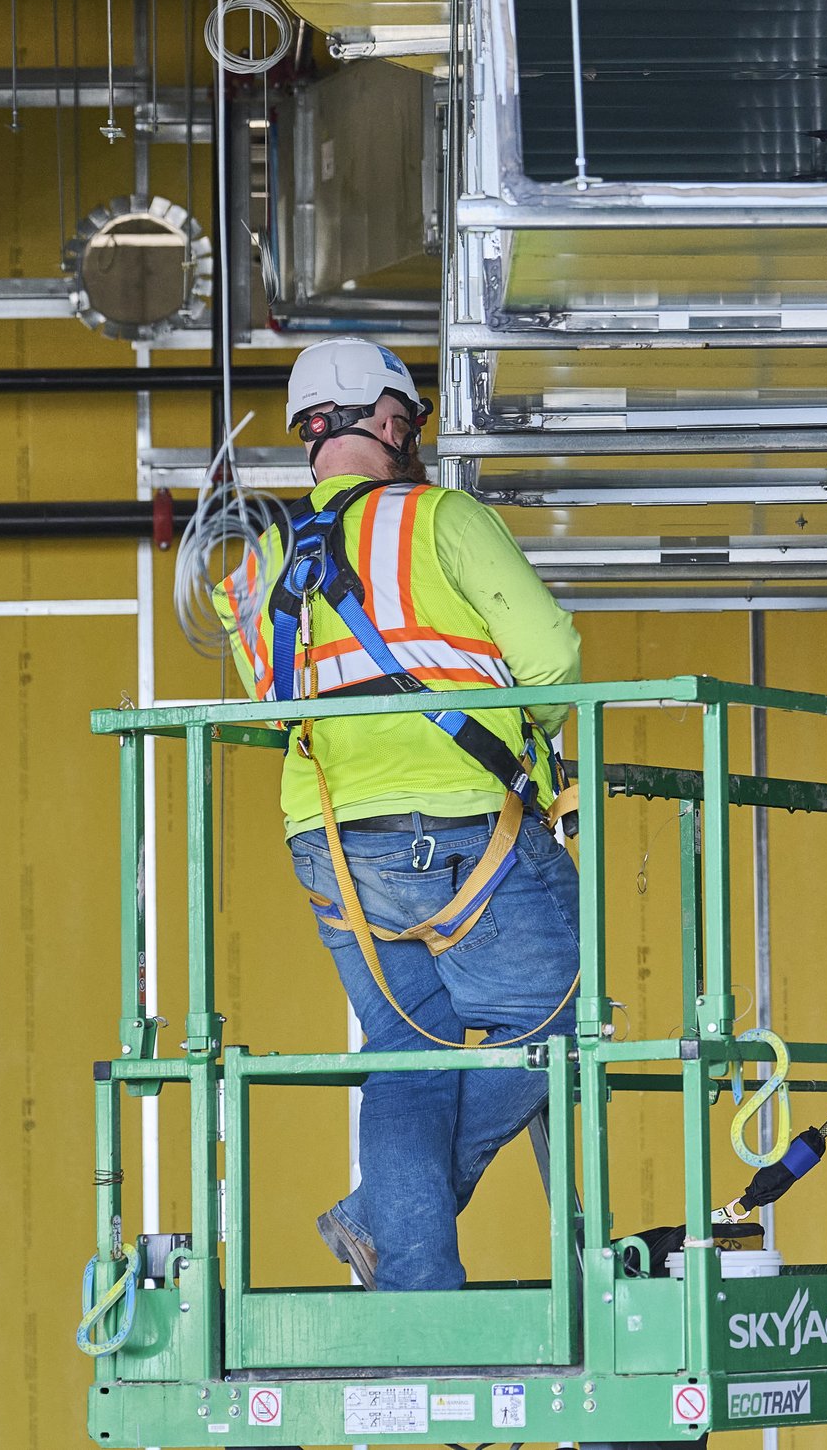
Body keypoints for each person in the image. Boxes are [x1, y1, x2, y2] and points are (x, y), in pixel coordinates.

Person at [215, 338, 583, 1292]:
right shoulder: (442, 517)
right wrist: (529, 744)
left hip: (329, 843)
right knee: (562, 1023)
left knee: (407, 1054)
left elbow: (275, 714)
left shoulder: (255, 569)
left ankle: (416, 1288)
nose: (412, 437)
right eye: (410, 421)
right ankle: (375, 1216)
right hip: (463, 826)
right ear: (384, 420)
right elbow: (552, 660)